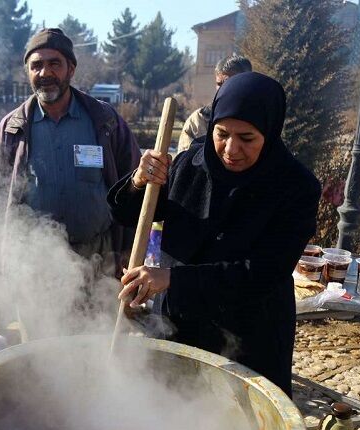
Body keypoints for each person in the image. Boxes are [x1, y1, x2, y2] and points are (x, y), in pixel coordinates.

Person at [109, 72, 321, 397]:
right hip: (178, 329)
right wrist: (139, 180)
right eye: (222, 134)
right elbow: (127, 214)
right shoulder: (189, 165)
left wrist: (172, 279)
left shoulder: (295, 188)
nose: (231, 149)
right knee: (169, 418)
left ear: (270, 130)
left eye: (247, 138)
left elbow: (263, 273)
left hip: (249, 337)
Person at [0, 28, 140, 279]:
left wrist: (129, 249)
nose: (45, 73)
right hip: (34, 263)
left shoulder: (105, 121)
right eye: (37, 65)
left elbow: (134, 187)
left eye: (54, 63)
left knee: (98, 320)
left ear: (71, 69)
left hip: (98, 259)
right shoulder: (12, 129)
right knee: (38, 320)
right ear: (28, 72)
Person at [177, 54, 252, 153]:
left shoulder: (262, 119)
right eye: (219, 84)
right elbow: (184, 162)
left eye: (230, 83)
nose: (224, 89)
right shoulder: (199, 120)